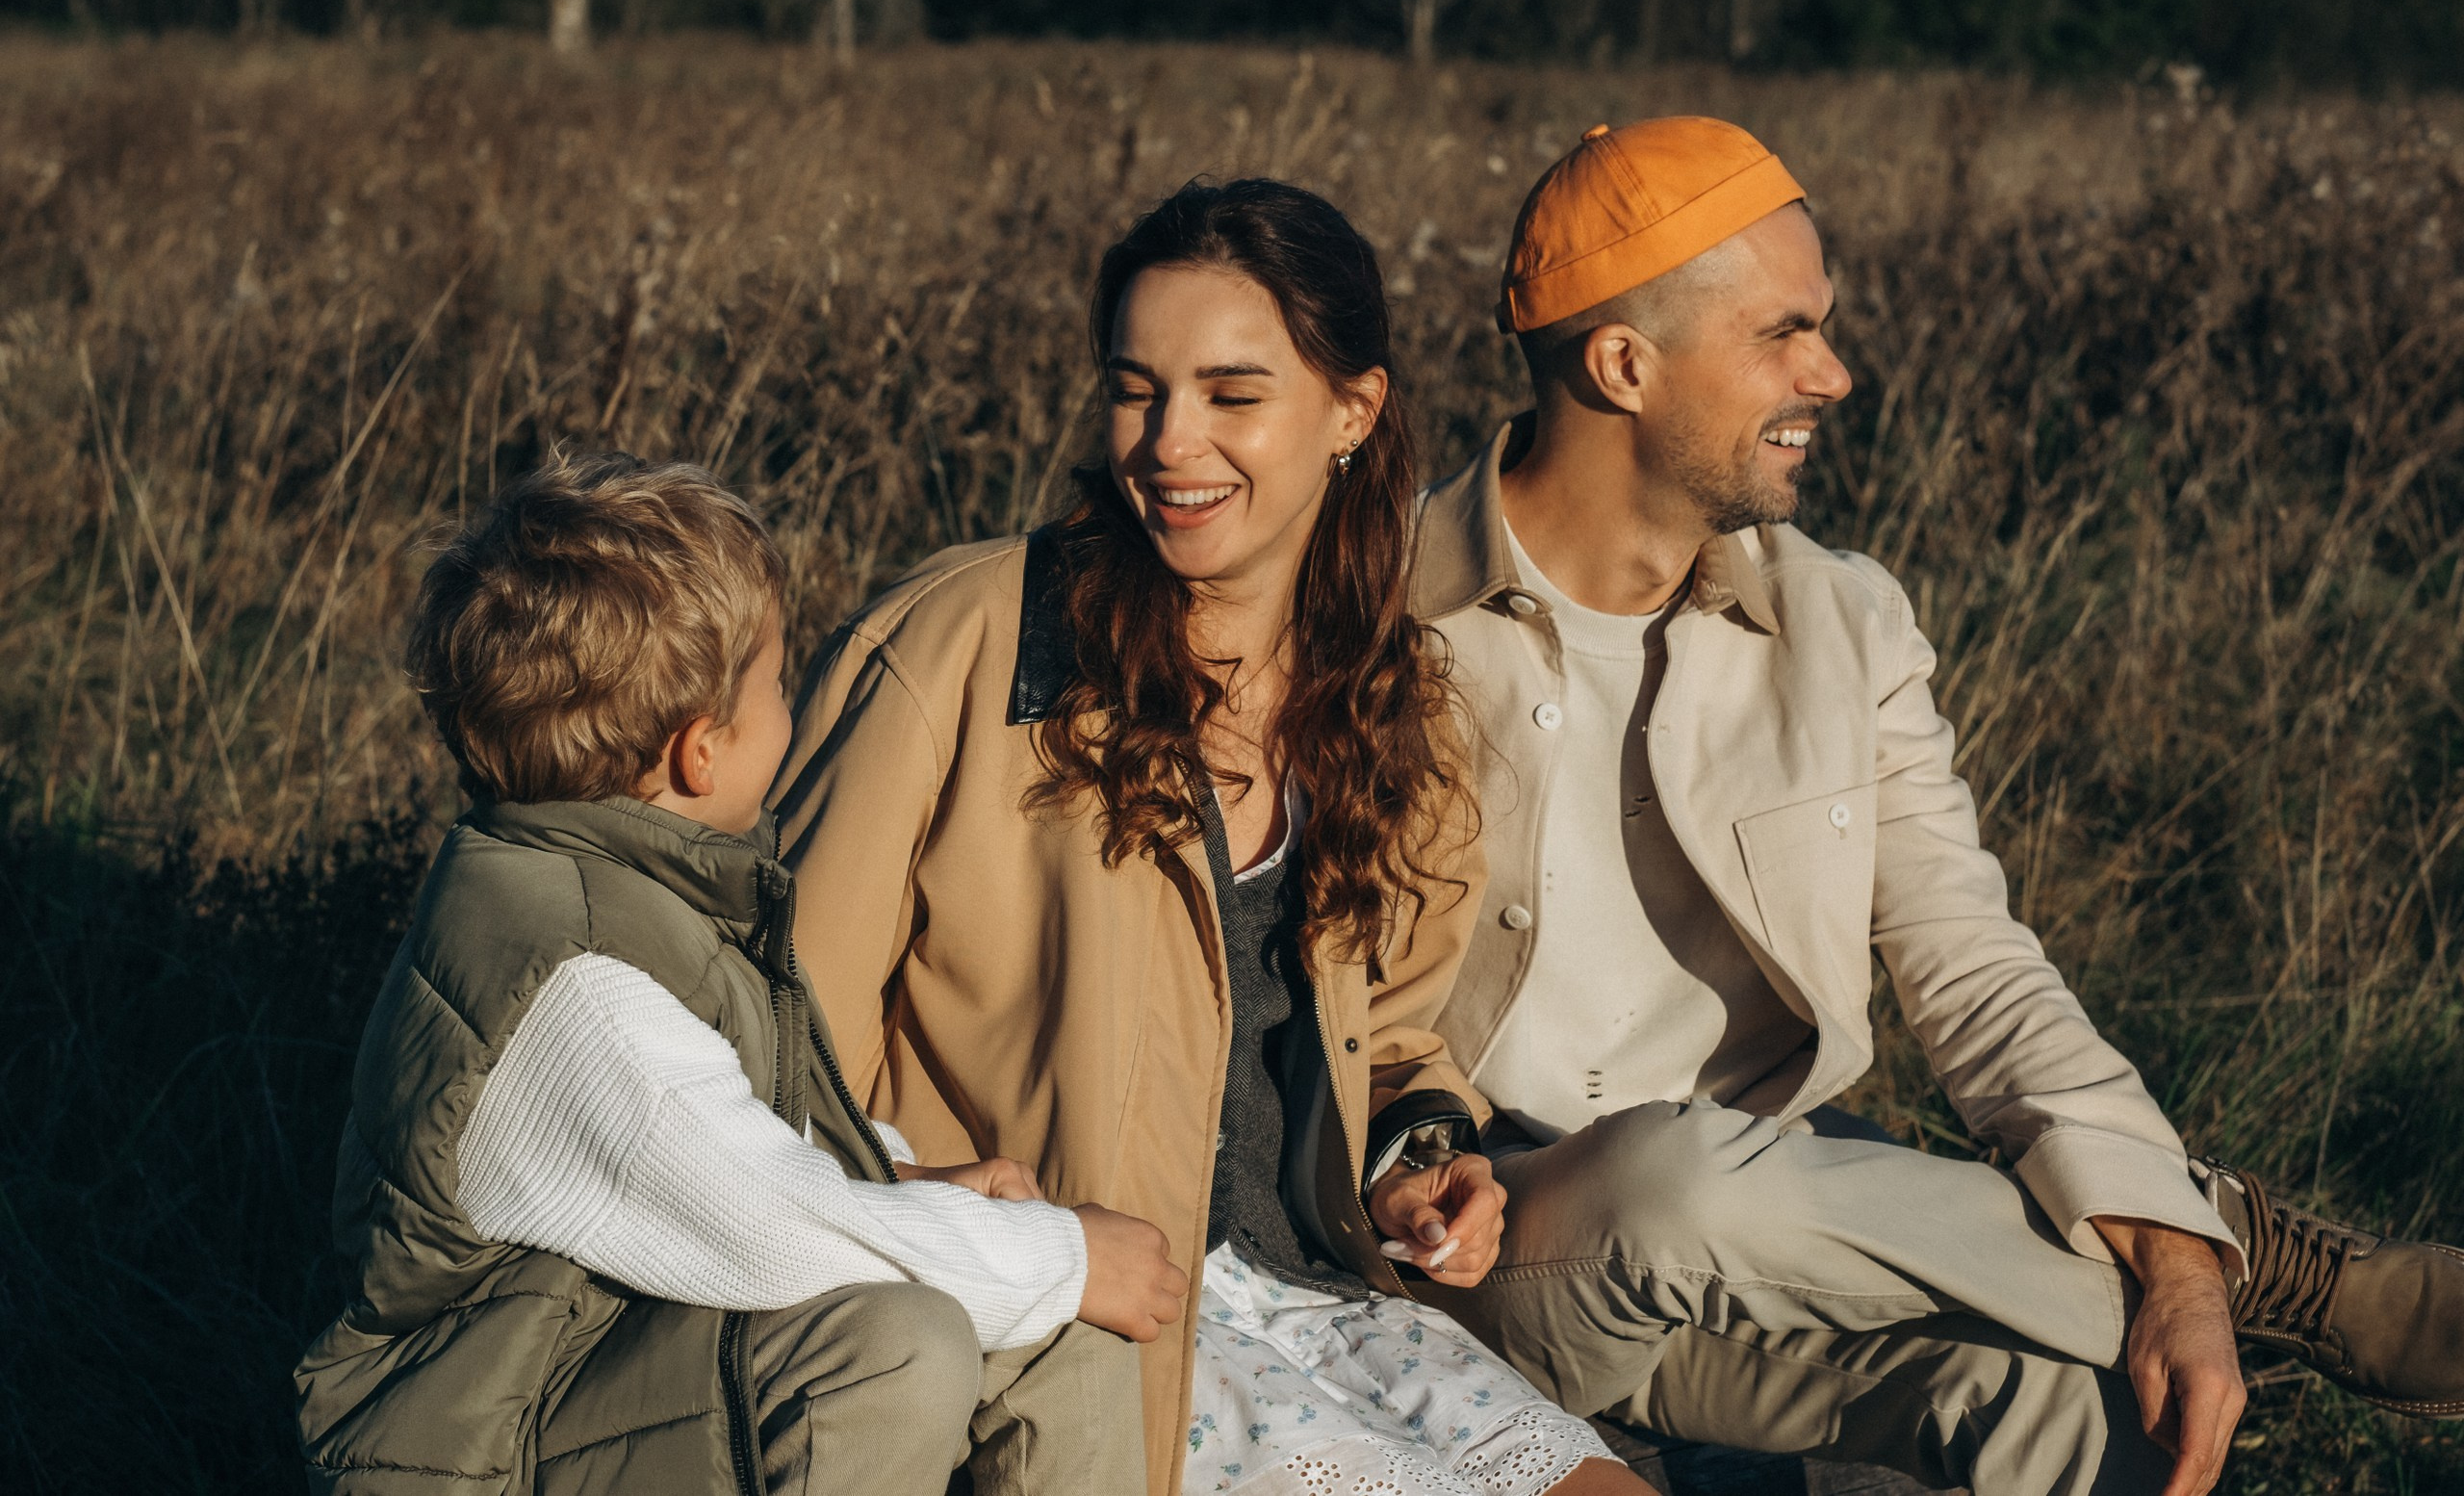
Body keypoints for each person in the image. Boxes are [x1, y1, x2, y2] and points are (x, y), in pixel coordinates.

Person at [1410, 116, 2464, 1496]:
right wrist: (2152, 1238)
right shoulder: (1372, 617)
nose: (1832, 374)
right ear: (1623, 362)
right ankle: (2248, 1255)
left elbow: (1972, 958)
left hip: (1759, 1253)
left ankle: (2193, 1261)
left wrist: (2162, 1281)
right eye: (1785, 332)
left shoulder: (1844, 621)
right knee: (1675, 1179)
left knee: (2106, 1424)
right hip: (1494, 1256)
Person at [772, 179, 1647, 1496]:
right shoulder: (963, 645)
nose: (1171, 442)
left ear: (1351, 411)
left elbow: (1397, 1035)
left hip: (1316, 1285)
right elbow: (776, 1022)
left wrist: (1423, 1162)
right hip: (1072, 1311)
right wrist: (944, 1207)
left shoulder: (1390, 691)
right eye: (1138, 389)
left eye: (1233, 395)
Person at [295, 452, 1166, 1496]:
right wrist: (1066, 1256)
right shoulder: (578, 990)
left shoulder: (620, 895)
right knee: (898, 1340)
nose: (791, 712)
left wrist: (898, 1178)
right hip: (484, 1453)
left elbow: (717, 1141)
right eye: (776, 686)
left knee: (1052, 1332)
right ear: (701, 752)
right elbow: (769, 1226)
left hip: (591, 1377)